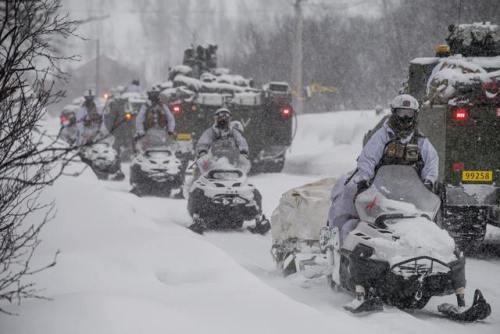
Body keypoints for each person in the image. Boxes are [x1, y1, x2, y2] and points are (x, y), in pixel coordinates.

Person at [327, 94, 467, 312]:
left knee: (433, 226)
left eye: (409, 114)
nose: (405, 119)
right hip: (378, 186)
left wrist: (429, 182)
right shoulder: (382, 136)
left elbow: (432, 161)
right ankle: (337, 241)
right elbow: (368, 158)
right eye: (401, 114)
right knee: (349, 198)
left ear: (415, 116)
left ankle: (435, 267)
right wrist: (364, 177)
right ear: (393, 114)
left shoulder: (421, 141)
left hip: (411, 192)